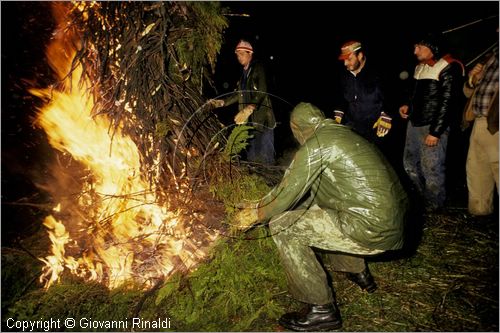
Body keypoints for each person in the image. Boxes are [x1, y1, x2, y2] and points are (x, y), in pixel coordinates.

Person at [234, 102, 408, 331]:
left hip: (371, 230)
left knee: (283, 226)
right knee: (325, 215)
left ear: (297, 127)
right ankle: (359, 274)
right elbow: (311, 196)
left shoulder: (317, 144)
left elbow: (287, 192)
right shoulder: (341, 134)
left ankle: (322, 310)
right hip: (391, 225)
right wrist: (260, 203)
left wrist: (257, 213)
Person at [399, 33, 464, 212]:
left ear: (432, 47)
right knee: (410, 163)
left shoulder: (449, 66)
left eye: (418, 47)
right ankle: (420, 199)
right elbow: (414, 94)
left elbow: (448, 102)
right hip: (414, 124)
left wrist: (435, 132)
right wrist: (407, 106)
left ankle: (435, 205)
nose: (415, 51)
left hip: (433, 126)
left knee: (432, 167)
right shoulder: (419, 67)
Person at [210, 39, 276, 165]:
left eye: (242, 54)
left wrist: (250, 107)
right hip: (249, 122)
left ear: (250, 53)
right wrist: (222, 102)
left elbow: (262, 91)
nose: (239, 57)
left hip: (263, 121)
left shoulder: (258, 68)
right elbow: (238, 94)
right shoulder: (243, 75)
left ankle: (271, 181)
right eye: (237, 55)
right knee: (252, 159)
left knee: (266, 158)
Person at [462, 43, 499, 216]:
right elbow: (467, 93)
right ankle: (480, 215)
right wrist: (472, 79)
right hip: (478, 122)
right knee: (476, 171)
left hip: (496, 125)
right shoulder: (490, 58)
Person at [333, 40, 392, 144]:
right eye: (344, 60)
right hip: (351, 126)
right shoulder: (344, 75)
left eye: (349, 59)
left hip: (375, 126)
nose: (345, 63)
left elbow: (393, 95)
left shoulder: (378, 73)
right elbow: (341, 97)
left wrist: (387, 115)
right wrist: (338, 113)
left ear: (360, 55)